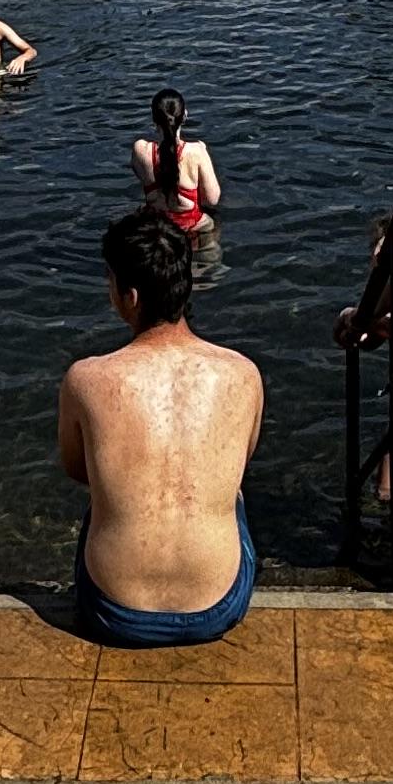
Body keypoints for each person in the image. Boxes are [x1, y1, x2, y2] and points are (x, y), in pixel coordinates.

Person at [58, 209, 264, 646]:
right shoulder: (243, 374)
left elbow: (78, 470)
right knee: (232, 495)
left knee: (105, 496)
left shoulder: (85, 379)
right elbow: (239, 464)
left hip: (114, 612)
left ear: (130, 296)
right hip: (218, 607)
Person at [131, 85, 221, 233]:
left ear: (154, 118)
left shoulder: (140, 149)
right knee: (209, 225)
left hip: (155, 225)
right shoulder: (197, 151)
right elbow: (212, 200)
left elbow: (139, 173)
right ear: (184, 116)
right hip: (191, 226)